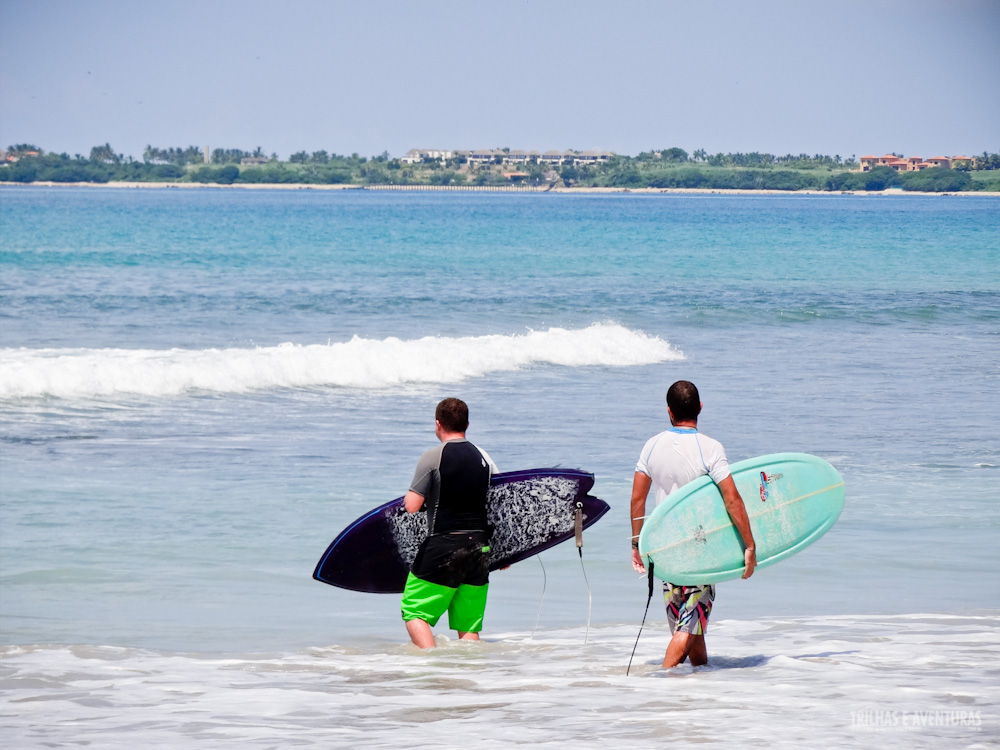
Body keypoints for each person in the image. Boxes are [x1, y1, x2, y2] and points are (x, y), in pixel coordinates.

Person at [629, 380, 757, 668]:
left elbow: (638, 500)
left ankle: (701, 679)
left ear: (669, 411)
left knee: (688, 622)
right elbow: (732, 498)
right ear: (700, 408)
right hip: (700, 549)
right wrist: (749, 544)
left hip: (664, 547)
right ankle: (659, 681)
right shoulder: (710, 448)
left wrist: (637, 543)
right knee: (688, 626)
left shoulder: (651, 446)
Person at [400, 397, 498, 649]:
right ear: (467, 424)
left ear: (438, 424)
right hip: (480, 547)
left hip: (445, 543)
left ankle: (432, 668)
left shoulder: (433, 457)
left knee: (414, 611)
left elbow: (411, 506)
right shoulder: (484, 457)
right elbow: (499, 504)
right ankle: (466, 678)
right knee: (468, 626)